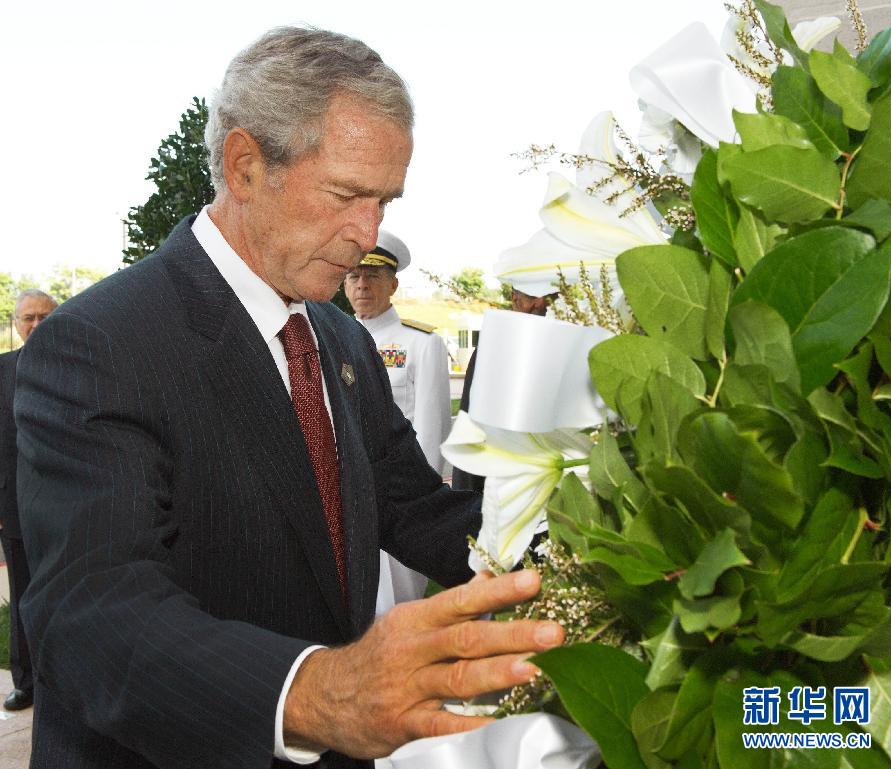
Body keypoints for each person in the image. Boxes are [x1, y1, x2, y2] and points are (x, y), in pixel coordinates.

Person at [14, 27, 563, 769]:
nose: (369, 233)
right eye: (346, 194)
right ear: (245, 166)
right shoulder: (102, 343)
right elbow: (96, 613)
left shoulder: (340, 343)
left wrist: (576, 552)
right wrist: (312, 694)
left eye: (384, 201)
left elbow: (417, 509)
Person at [344, 231, 451, 614]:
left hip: (400, 498)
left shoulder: (421, 344)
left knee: (397, 609)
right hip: (345, 493)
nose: (362, 285)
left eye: (372, 276)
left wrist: (421, 503)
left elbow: (433, 424)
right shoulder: (334, 339)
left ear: (393, 283)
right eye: (353, 276)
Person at [0, 290, 57, 712]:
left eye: (44, 316)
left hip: (69, 506)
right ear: (16, 324)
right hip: (15, 509)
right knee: (22, 598)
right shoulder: (0, 372)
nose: (35, 325)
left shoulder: (81, 363)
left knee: (69, 592)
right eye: (27, 318)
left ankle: (68, 681)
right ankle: (27, 683)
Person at [451, 287, 556, 492]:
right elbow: (471, 436)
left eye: (550, 296)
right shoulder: (492, 353)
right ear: (514, 298)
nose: (541, 304)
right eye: (532, 296)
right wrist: (467, 502)